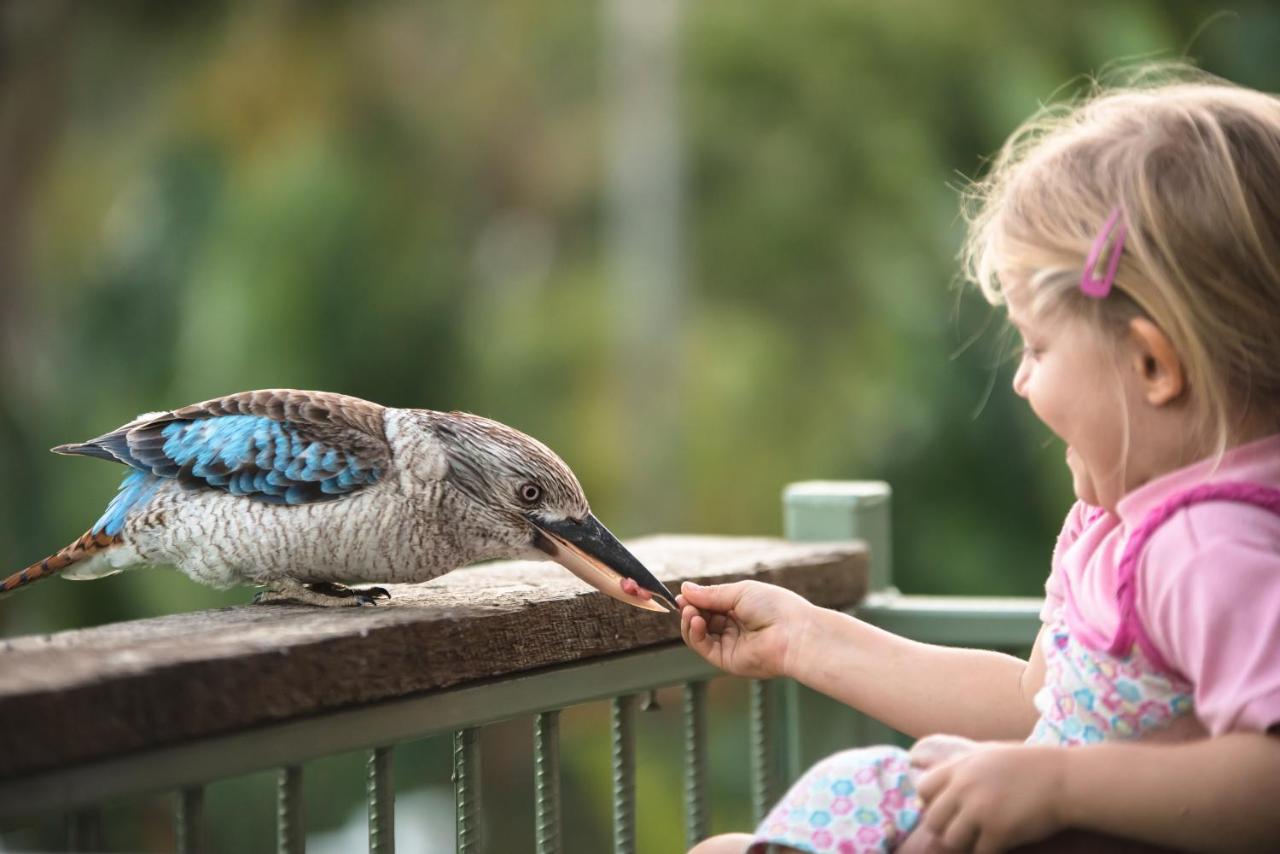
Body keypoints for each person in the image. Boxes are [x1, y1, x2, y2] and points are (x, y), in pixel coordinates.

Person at [678, 69, 1280, 853]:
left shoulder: (1212, 548)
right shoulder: (1124, 529)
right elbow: (1038, 709)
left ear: (1154, 367)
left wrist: (1054, 787)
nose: (1023, 380)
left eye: (1037, 347)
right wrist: (808, 640)